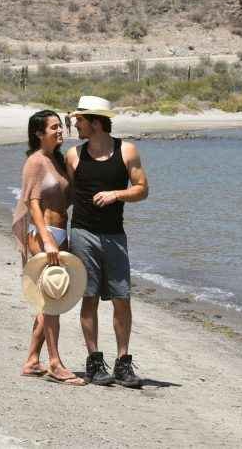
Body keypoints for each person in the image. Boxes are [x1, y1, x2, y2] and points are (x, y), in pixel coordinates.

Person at [66, 96, 149, 387]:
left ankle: (123, 364)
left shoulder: (126, 150)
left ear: (95, 122)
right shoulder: (74, 155)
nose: (76, 124)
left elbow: (142, 190)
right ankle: (94, 362)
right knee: (88, 298)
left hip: (115, 235)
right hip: (82, 233)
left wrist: (116, 194)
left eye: (80, 120)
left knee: (121, 299)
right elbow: (67, 197)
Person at [11, 110, 85, 385]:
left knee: (48, 299)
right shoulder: (35, 161)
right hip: (41, 235)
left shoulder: (57, 160)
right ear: (38, 133)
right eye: (53, 127)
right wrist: (47, 238)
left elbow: (69, 197)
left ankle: (32, 360)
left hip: (59, 232)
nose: (59, 131)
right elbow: (32, 202)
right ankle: (55, 364)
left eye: (60, 126)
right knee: (52, 300)